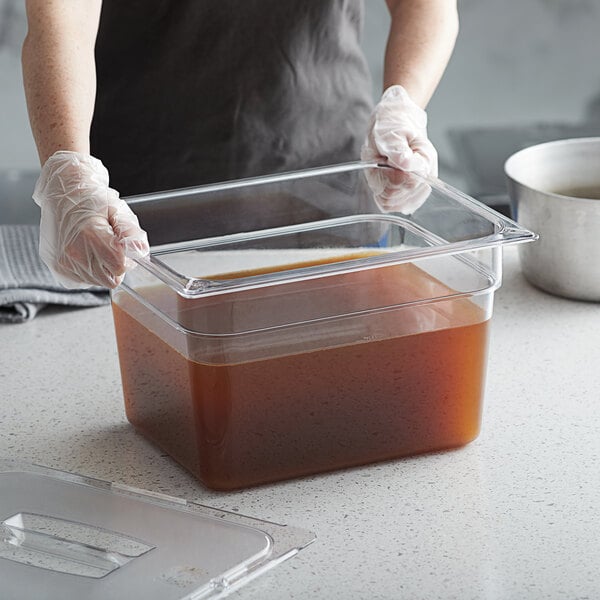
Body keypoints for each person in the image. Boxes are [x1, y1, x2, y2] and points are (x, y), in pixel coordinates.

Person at [22, 0, 459, 289]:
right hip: (140, 212)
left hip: (331, 194)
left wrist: (405, 106)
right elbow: (61, 17)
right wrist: (70, 173)